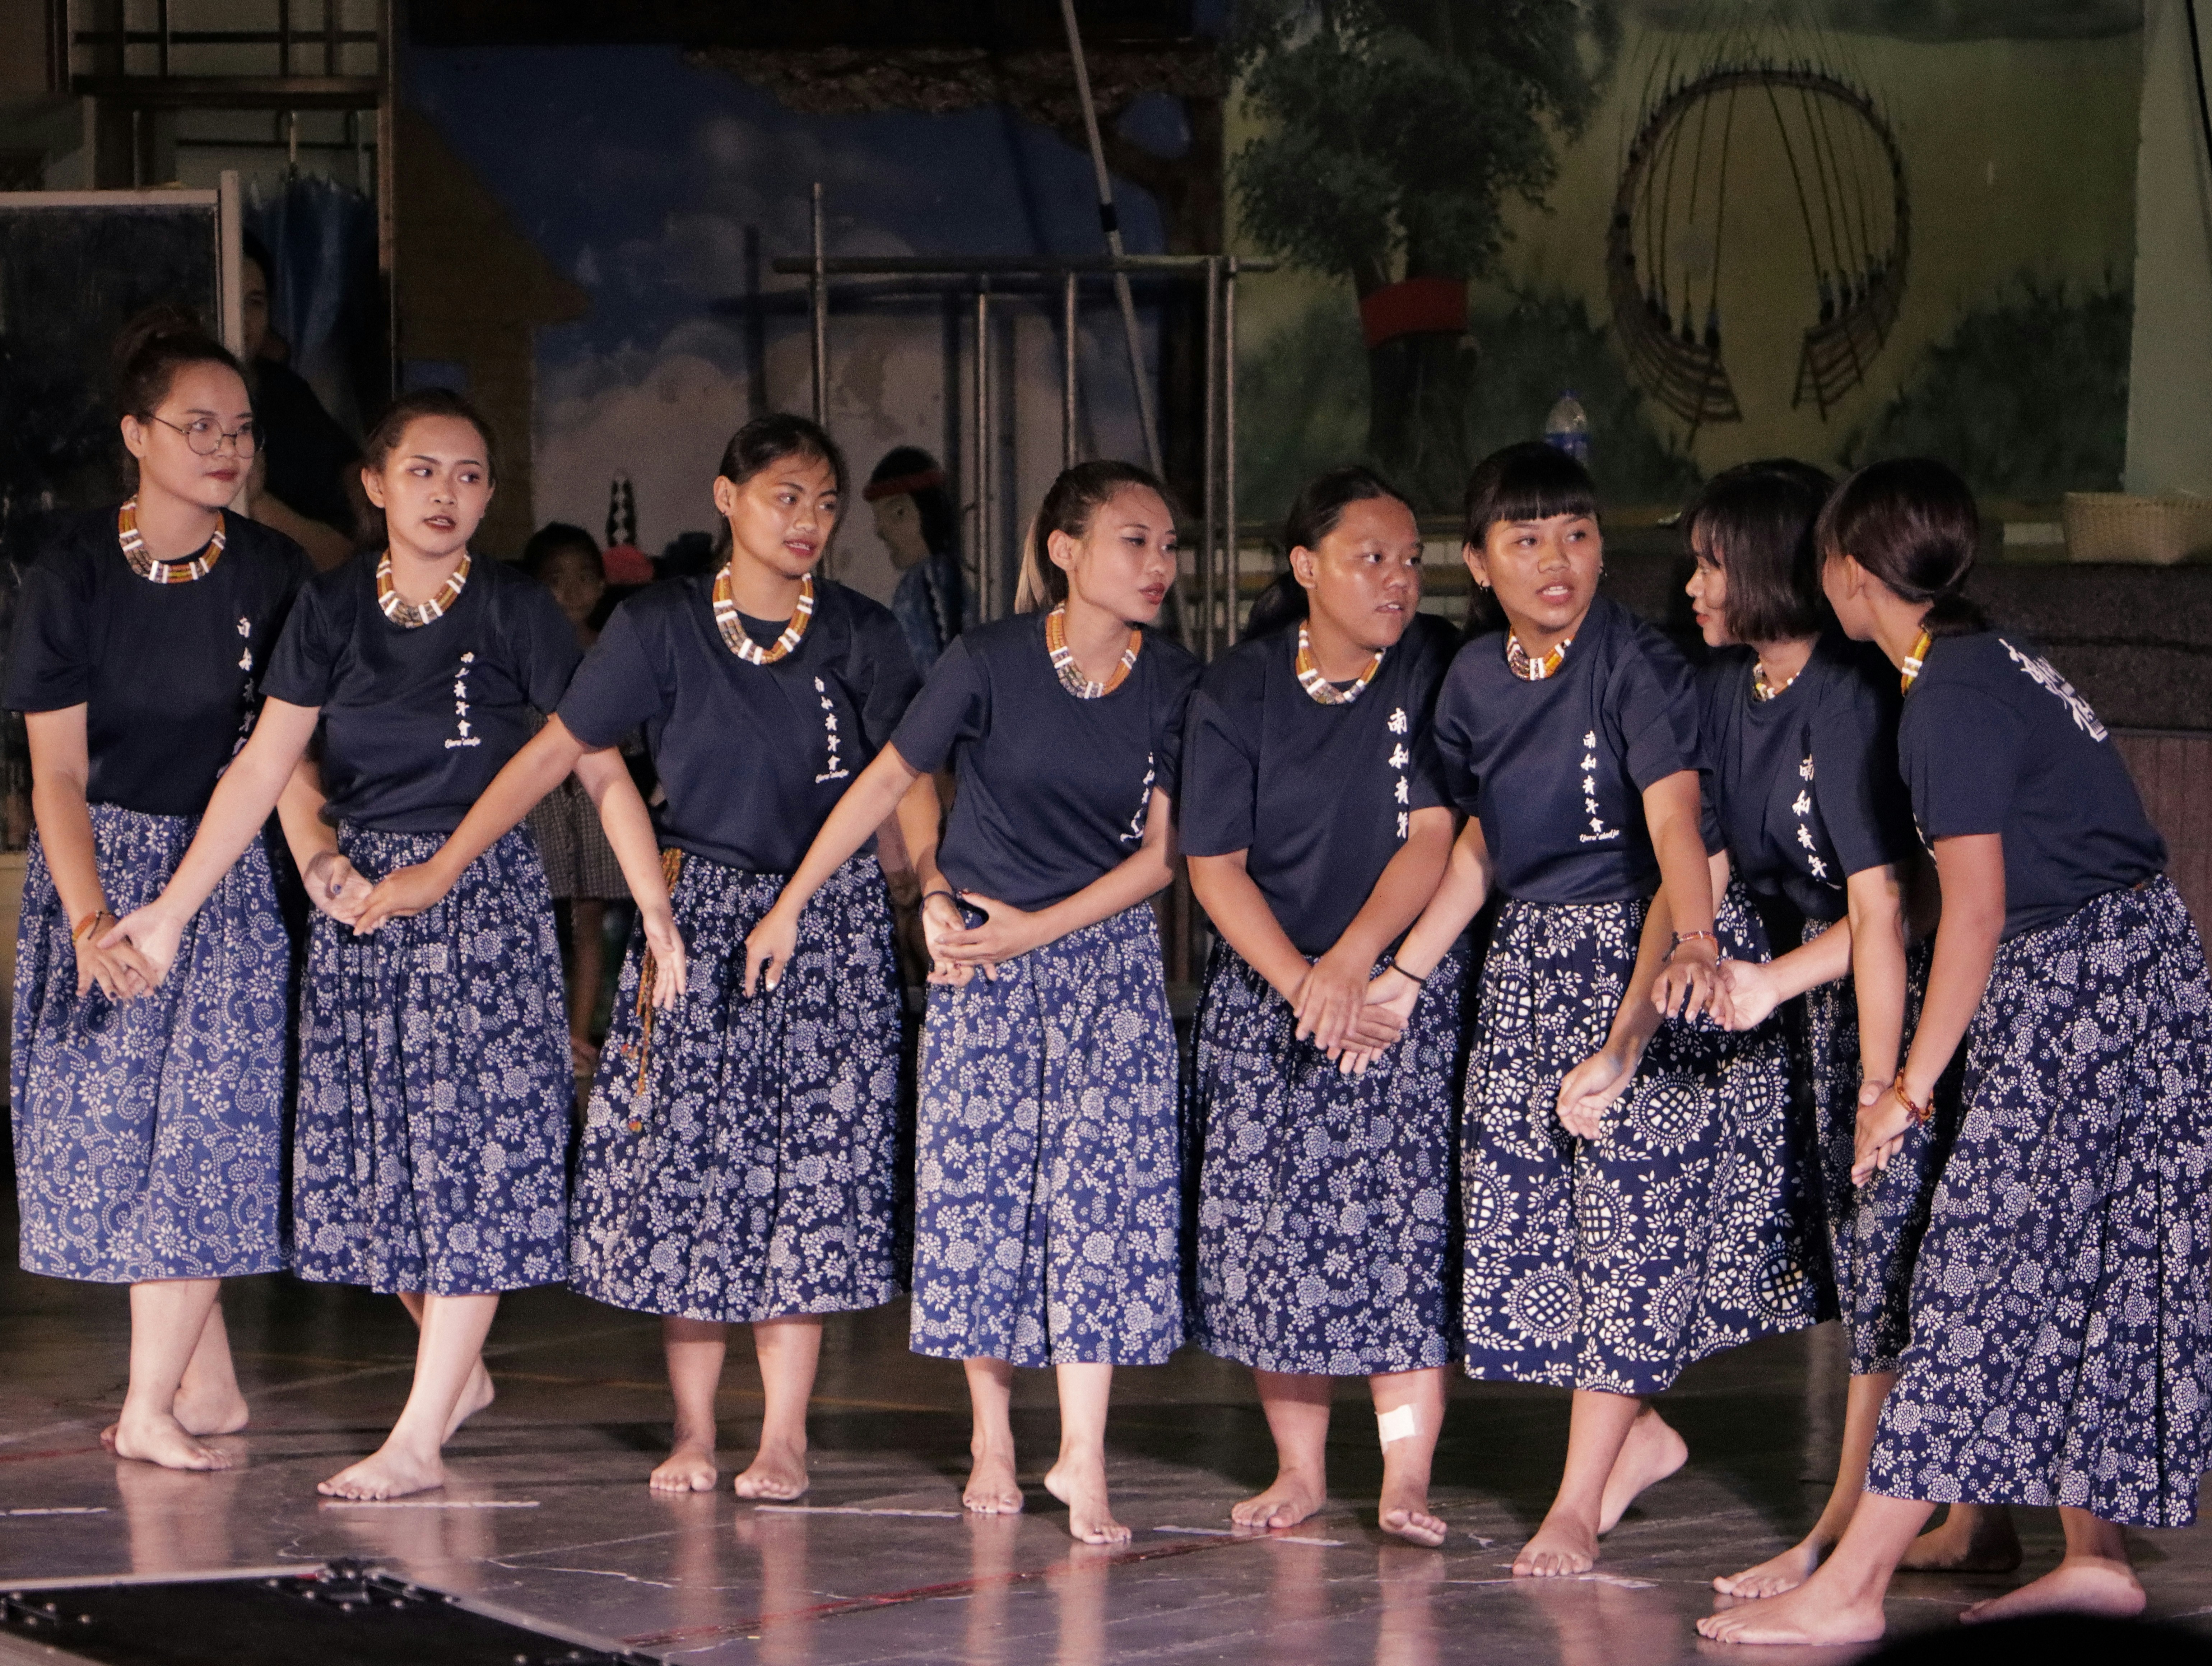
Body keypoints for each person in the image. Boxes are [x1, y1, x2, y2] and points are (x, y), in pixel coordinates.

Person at [361, 414, 923, 1501]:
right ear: (726, 498)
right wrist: (439, 868)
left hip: (830, 923)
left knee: (806, 1181)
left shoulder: (860, 631)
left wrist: (924, 891)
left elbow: (907, 778)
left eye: (822, 501)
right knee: (690, 1176)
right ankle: (697, 1429)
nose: (806, 521)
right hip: (700, 920)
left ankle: (786, 1436)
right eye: (783, 497)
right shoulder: (659, 624)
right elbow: (561, 750)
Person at [1700, 459, 2212, 1644]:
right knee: (2084, 1260)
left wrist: (1908, 1090)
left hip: (2090, 984)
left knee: (1981, 1270)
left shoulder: (1948, 701)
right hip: (2122, 971)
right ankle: (2098, 1560)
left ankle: (1853, 1588)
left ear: (1845, 574)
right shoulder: (1980, 654)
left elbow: (1970, 911)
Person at [107, 388, 629, 1501]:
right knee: (388, 1177)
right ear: (377, 483)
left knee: (474, 1172)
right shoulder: (335, 607)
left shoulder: (516, 609)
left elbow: (594, 763)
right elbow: (263, 770)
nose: (448, 494)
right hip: (363, 918)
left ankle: (418, 1439)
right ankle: (459, 1379)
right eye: (426, 471)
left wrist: (660, 913)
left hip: (478, 905)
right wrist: (177, 906)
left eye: (472, 474)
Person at [1366, 441, 1827, 1578]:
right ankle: (1638, 1437)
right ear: (1476, 562)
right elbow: (1482, 841)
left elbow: (1678, 822)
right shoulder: (1470, 678)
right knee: (1536, 1227)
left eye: (1574, 533)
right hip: (1528, 963)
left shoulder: (1636, 660)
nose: (1556, 560)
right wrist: (1412, 966)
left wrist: (1667, 978)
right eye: (1524, 540)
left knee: (1630, 1233)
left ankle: (1575, 1500)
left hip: (1649, 941)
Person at [744, 459, 1199, 1545]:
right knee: (981, 1199)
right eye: (1134, 540)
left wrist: (1033, 931)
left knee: (1103, 1202)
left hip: (1103, 965)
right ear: (1065, 549)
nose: (1159, 564)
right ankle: (992, 1432)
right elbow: (892, 778)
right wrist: (813, 900)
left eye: (1168, 544)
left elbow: (1163, 856)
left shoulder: (1174, 681)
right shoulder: (988, 658)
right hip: (979, 967)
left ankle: (1081, 1456)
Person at [7, 307, 311, 1472]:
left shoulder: (277, 571)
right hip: (101, 874)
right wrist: (89, 919)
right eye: (199, 426)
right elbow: (58, 773)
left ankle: (153, 1407)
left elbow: (276, 759)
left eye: (241, 428)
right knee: (124, 1141)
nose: (227, 447)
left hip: (223, 883)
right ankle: (212, 1381)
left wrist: (317, 859)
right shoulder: (74, 571)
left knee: (206, 1141)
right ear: (138, 434)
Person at [1676, 462, 1981, 1600]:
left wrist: (1878, 1076)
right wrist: (1696, 948)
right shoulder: (1734, 685)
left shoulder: (1850, 695)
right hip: (1821, 1003)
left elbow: (1885, 905)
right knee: (1875, 1275)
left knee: (1891, 1272)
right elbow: (1708, 847)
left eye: (1713, 560)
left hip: (1897, 1005)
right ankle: (1949, 1521)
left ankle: (1843, 1531)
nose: (1695, 583)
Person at [1181, 466, 1462, 1546]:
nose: (1397, 580)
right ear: (1304, 568)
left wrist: (1351, 965)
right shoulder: (1237, 688)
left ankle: (1403, 1477)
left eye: (1410, 559)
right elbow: (1214, 864)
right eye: (1369, 558)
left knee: (1401, 1230)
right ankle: (1297, 1468)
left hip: (1393, 989)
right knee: (1274, 1233)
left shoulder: (1432, 664)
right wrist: (1302, 983)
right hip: (1272, 996)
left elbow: (1432, 833)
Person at [520, 522, 629, 1074]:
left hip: (592, 804)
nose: (574, 591)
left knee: (590, 918)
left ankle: (579, 1035)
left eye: (586, 576)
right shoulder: (526, 649)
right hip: (540, 805)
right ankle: (539, 1033)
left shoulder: (611, 651)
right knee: (538, 917)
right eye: (557, 580)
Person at [237, 232, 358, 572]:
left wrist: (257, 500)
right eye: (229, 297)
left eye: (256, 302)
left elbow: (342, 553)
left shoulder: (288, 399)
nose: (242, 319)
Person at [865, 446, 968, 670]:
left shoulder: (921, 583)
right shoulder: (951, 574)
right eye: (879, 519)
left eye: (899, 514)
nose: (881, 531)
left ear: (931, 512)